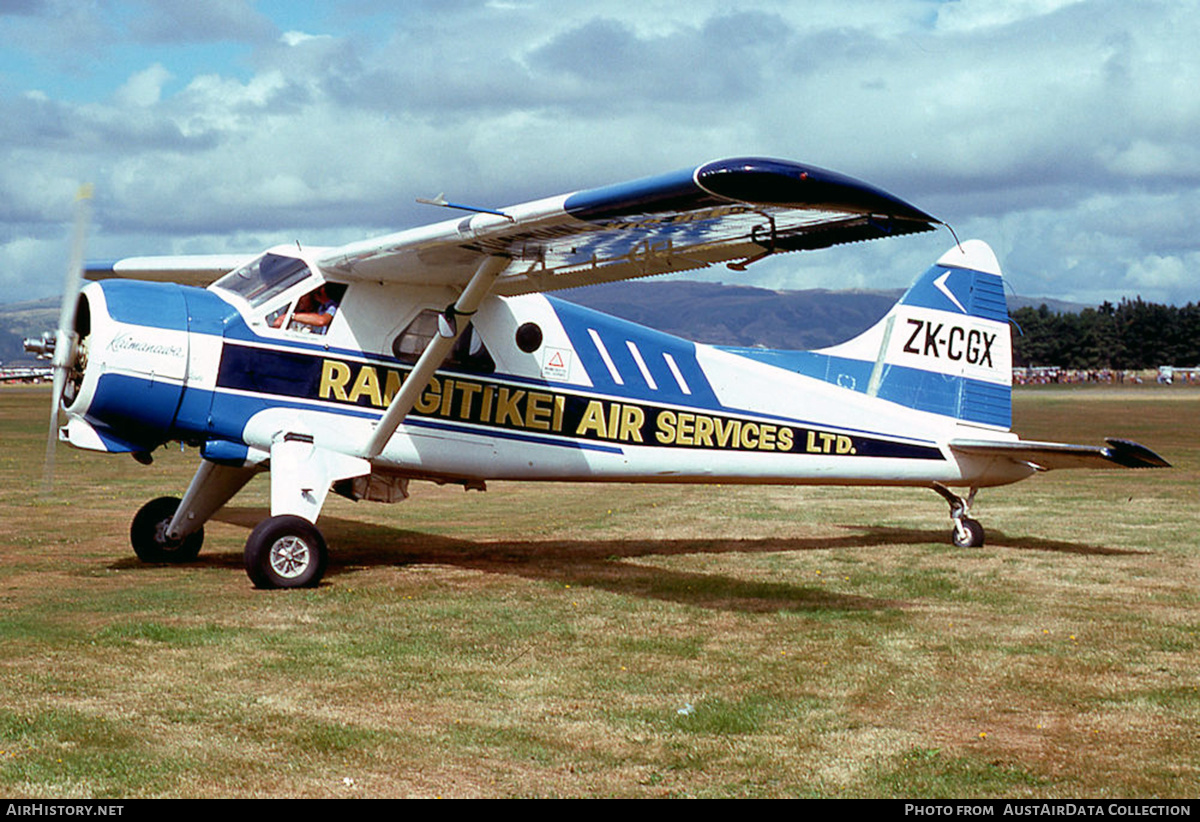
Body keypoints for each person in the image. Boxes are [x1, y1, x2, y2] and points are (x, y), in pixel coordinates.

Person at [274, 284, 339, 333]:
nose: (300, 300)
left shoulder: (333, 307)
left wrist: (291, 316)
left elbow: (321, 321)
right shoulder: (320, 307)